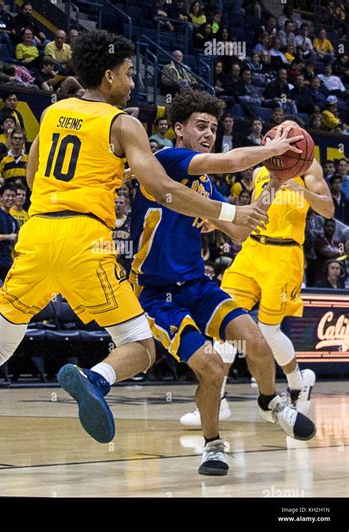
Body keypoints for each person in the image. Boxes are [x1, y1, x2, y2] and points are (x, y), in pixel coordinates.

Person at [0, 30, 289, 475]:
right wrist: (228, 208)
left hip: (36, 234)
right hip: (84, 240)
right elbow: (162, 189)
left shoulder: (53, 112)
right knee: (140, 344)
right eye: (130, 74)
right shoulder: (121, 123)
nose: (133, 83)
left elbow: (33, 175)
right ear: (109, 75)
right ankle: (96, 379)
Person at [130, 91, 316, 475]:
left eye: (213, 128)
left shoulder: (206, 187)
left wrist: (272, 188)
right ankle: (213, 445)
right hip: (156, 293)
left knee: (256, 339)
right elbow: (232, 160)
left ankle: (270, 402)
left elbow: (238, 231)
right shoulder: (167, 160)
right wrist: (275, 148)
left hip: (196, 284)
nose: (208, 133)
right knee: (213, 367)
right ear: (178, 130)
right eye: (201, 125)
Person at [182, 117, 334, 427]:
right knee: (225, 324)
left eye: (285, 134)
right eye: (276, 133)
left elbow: (329, 209)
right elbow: (257, 211)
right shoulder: (260, 170)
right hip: (251, 250)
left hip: (284, 254)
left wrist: (302, 191)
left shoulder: (309, 167)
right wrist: (225, 222)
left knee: (268, 331)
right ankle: (217, 401)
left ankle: (298, 378)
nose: (278, 137)